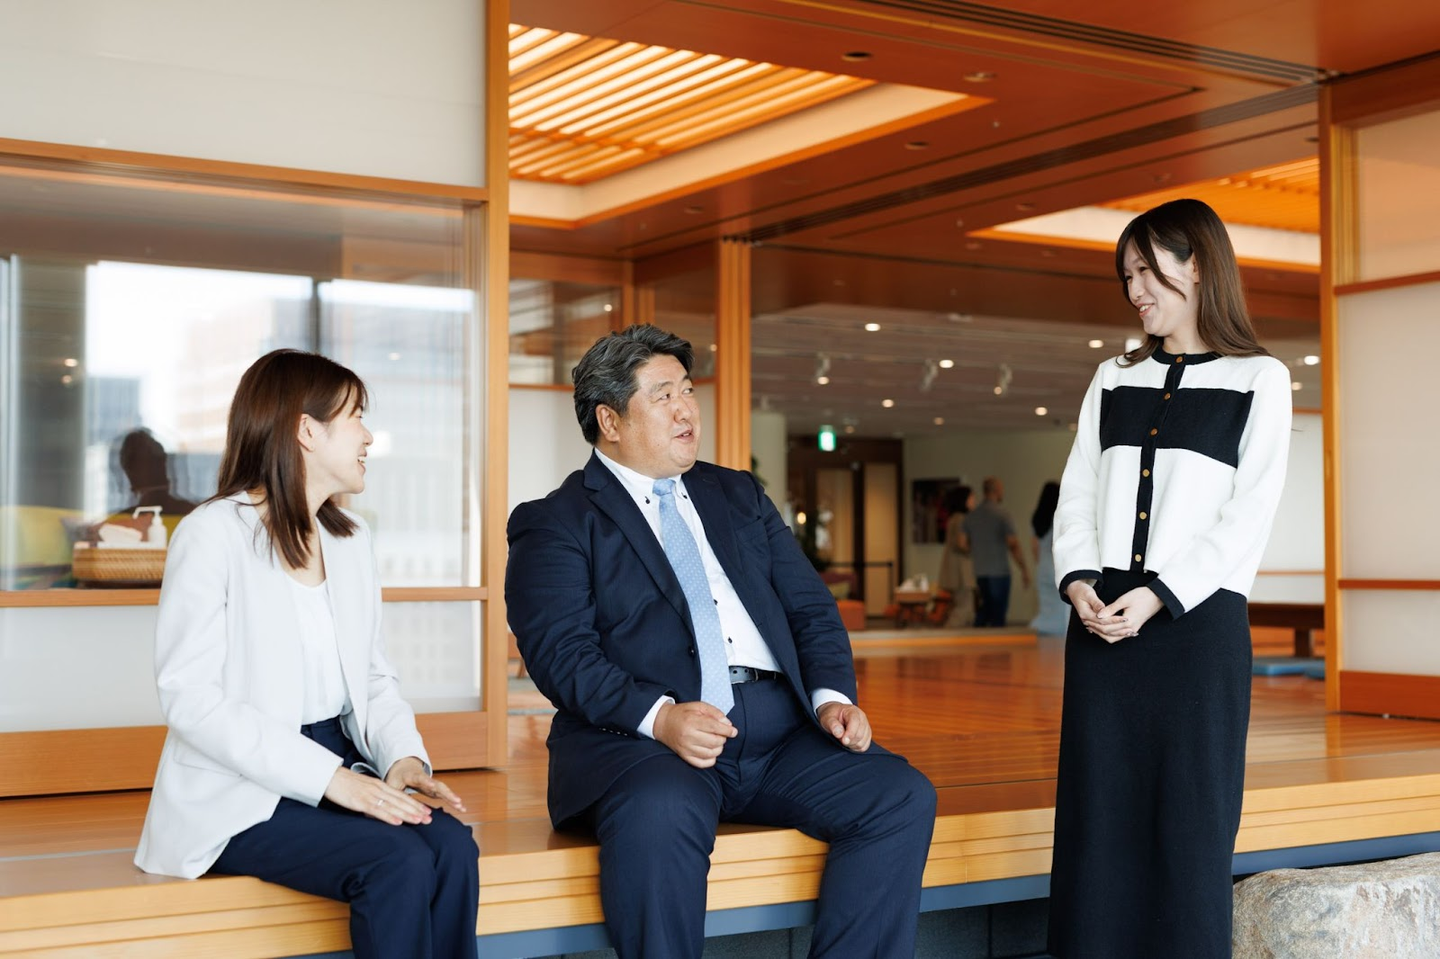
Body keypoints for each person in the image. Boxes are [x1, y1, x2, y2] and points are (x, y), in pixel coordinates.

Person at [505, 325, 936, 959]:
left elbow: (810, 608)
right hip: (643, 745)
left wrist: (830, 699)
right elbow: (561, 655)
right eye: (662, 396)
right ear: (609, 420)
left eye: (687, 391)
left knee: (897, 794)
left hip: (780, 735)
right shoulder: (556, 521)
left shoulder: (736, 494)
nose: (686, 409)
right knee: (658, 811)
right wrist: (661, 719)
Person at [134, 349, 479, 959]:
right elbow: (192, 700)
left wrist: (403, 760)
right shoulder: (212, 534)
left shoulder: (351, 539)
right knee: (396, 859)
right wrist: (331, 780)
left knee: (452, 846)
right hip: (241, 787)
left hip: (340, 756)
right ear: (306, 431)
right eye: (356, 418)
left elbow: (373, 678)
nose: (368, 437)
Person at [1046, 198, 1291, 958]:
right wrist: (1079, 584)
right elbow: (1078, 492)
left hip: (1196, 630)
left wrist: (1158, 594)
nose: (1136, 290)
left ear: (1200, 266)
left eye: (1148, 271)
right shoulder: (1112, 378)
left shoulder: (1261, 379)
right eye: (1127, 276)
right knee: (1097, 821)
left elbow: (1248, 516)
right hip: (1102, 627)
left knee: (1191, 824)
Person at [959, 476, 1030, 626]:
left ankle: (977, 639)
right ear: (997, 491)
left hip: (980, 571)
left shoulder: (971, 516)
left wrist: (978, 549)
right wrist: (1024, 569)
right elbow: (1013, 544)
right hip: (999, 571)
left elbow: (962, 543)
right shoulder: (1002, 514)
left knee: (983, 612)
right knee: (998, 615)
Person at [1027, 481, 1067, 636]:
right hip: (1057, 566)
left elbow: (1034, 548)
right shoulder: (1059, 516)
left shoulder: (1037, 518)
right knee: (1061, 606)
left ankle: (1044, 630)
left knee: (1046, 605)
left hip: (1042, 567)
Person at [936, 484, 977, 627]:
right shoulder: (961, 519)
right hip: (961, 572)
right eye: (971, 497)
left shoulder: (954, 518)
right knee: (964, 609)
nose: (974, 500)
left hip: (956, 571)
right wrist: (975, 549)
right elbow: (961, 544)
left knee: (967, 610)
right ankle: (947, 635)